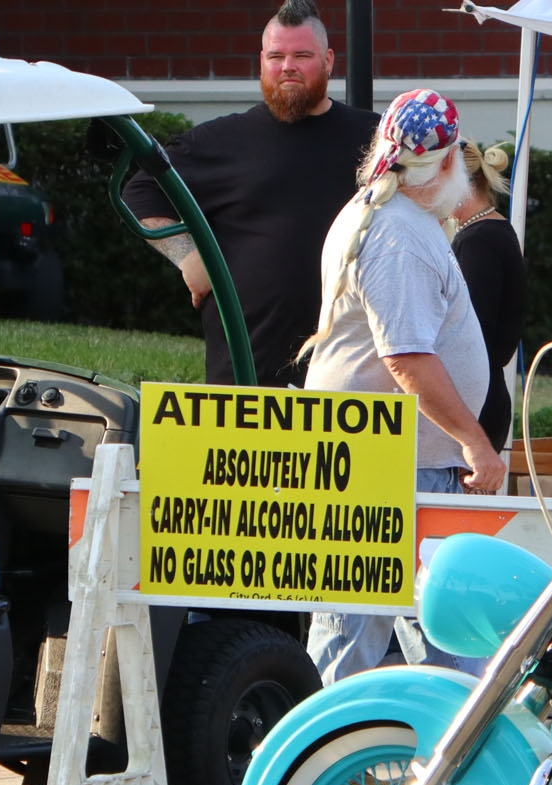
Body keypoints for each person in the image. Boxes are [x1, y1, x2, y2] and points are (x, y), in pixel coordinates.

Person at [300, 88, 505, 684]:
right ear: (447, 164)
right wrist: (474, 442)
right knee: (350, 637)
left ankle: (454, 760)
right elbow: (408, 358)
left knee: (444, 639)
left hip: (392, 459)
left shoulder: (385, 216)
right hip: (391, 465)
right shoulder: (397, 233)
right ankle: (324, 767)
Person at [122, 0, 378, 389]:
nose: (287, 66)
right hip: (247, 374)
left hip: (354, 372)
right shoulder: (223, 140)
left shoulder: (375, 138)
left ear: (328, 60)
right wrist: (188, 257)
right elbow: (139, 191)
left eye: (301, 55)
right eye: (276, 55)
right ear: (261, 61)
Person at [448, 139, 528, 453]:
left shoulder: (477, 241)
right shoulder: (494, 231)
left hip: (474, 401)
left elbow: (470, 333)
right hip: (484, 397)